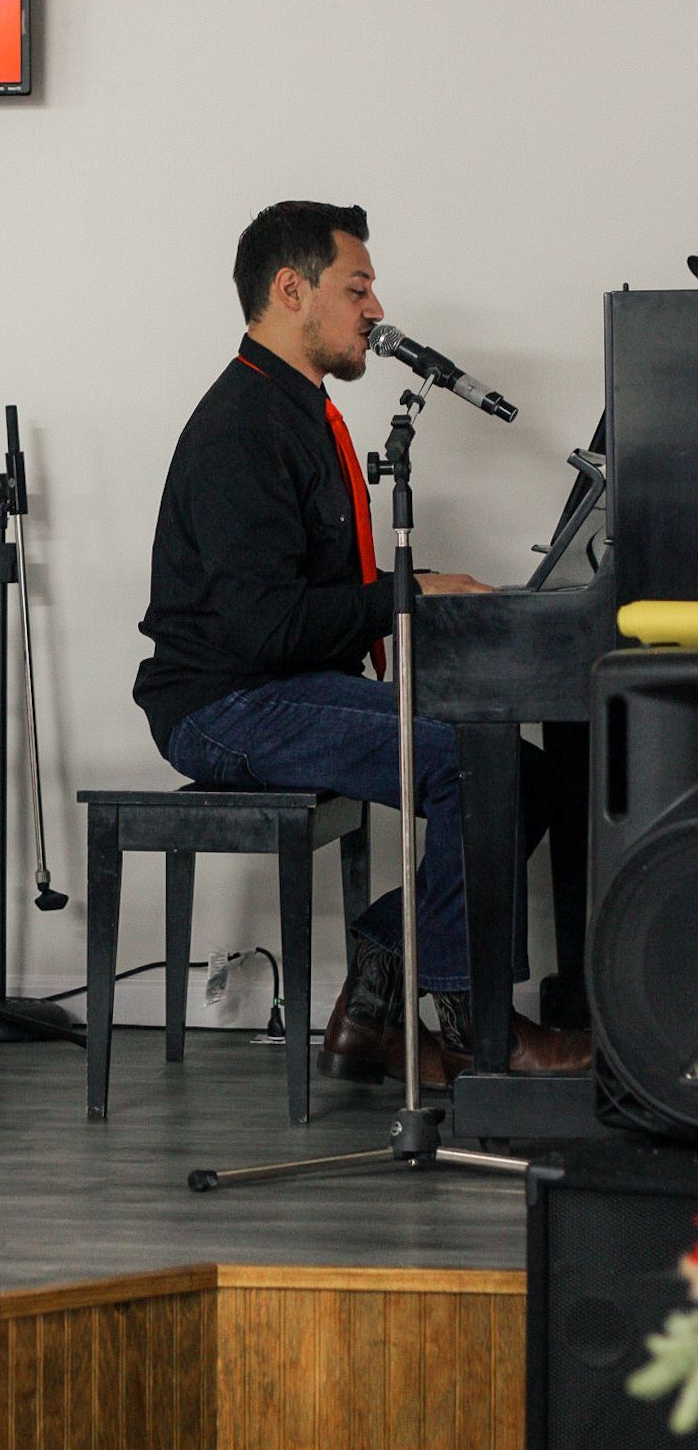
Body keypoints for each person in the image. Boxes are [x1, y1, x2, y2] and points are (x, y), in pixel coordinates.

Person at [133, 201, 590, 1086]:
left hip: (273, 683)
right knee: (468, 760)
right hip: (220, 703)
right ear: (289, 289)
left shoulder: (297, 410)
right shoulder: (240, 426)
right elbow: (260, 626)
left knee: (518, 772)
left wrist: (407, 596)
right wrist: (404, 595)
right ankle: (471, 1026)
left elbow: (304, 607)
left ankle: (373, 1006)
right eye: (357, 287)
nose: (375, 309)